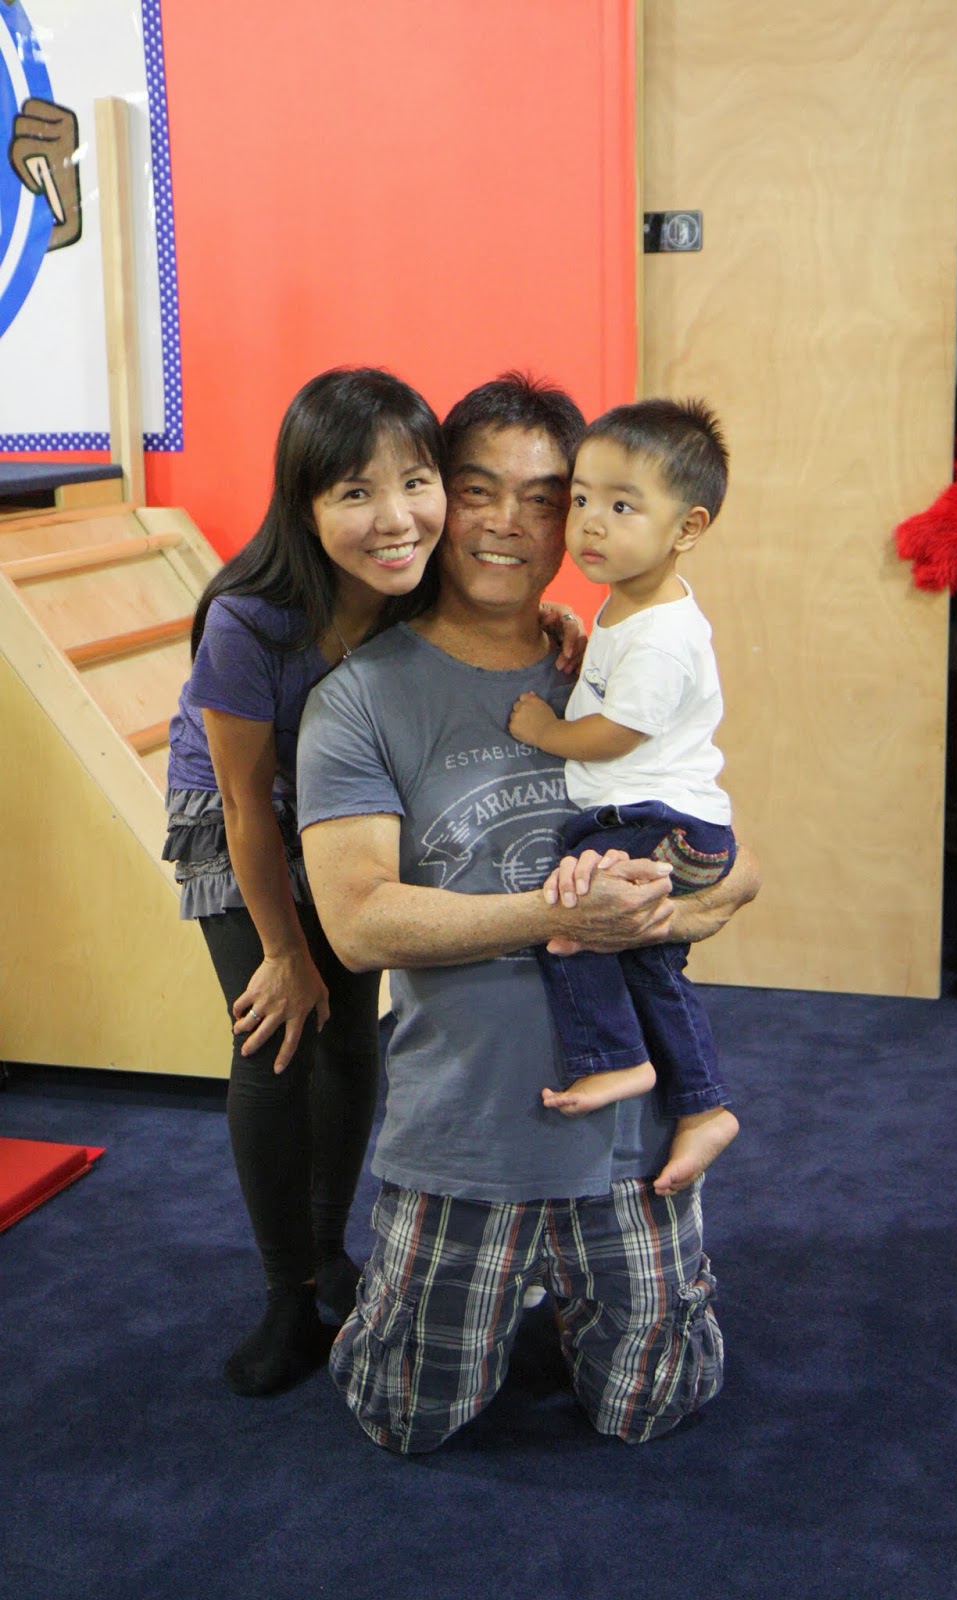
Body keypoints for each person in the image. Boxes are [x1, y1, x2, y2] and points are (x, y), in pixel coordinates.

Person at [297, 372, 760, 1452]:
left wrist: (664, 917)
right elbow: (359, 925)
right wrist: (567, 921)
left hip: (631, 1145)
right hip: (464, 1141)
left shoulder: (613, 666)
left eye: (547, 498)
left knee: (654, 1408)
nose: (509, 522)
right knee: (403, 1418)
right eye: (477, 490)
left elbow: (736, 874)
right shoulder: (358, 698)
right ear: (438, 501)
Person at [163, 366, 449, 1398]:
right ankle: (287, 1293)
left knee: (351, 1032)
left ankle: (330, 1253)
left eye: (415, 481)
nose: (395, 518)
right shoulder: (250, 618)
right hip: (242, 820)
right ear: (306, 503)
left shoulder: (428, 591)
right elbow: (245, 806)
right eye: (355, 492)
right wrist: (283, 950)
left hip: (349, 817)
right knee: (278, 1033)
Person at [507, 397, 739, 1197]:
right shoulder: (630, 603)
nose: (591, 525)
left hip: (658, 823)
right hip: (664, 818)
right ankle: (703, 1104)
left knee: (572, 918)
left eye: (622, 506)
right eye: (580, 500)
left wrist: (546, 729)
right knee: (650, 967)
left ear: (688, 528)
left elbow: (615, 734)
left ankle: (616, 1057)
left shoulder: (663, 634)